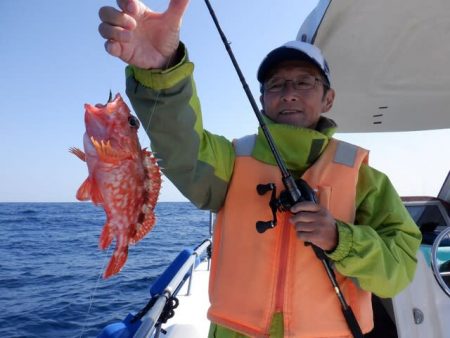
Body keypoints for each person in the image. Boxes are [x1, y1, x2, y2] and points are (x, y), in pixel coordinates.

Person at [98, 0, 422, 337]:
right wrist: (160, 72)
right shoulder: (231, 160)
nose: (289, 94)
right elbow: (181, 145)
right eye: (277, 85)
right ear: (263, 98)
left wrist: (342, 239)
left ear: (328, 99)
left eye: (304, 83)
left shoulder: (365, 178)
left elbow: (399, 268)